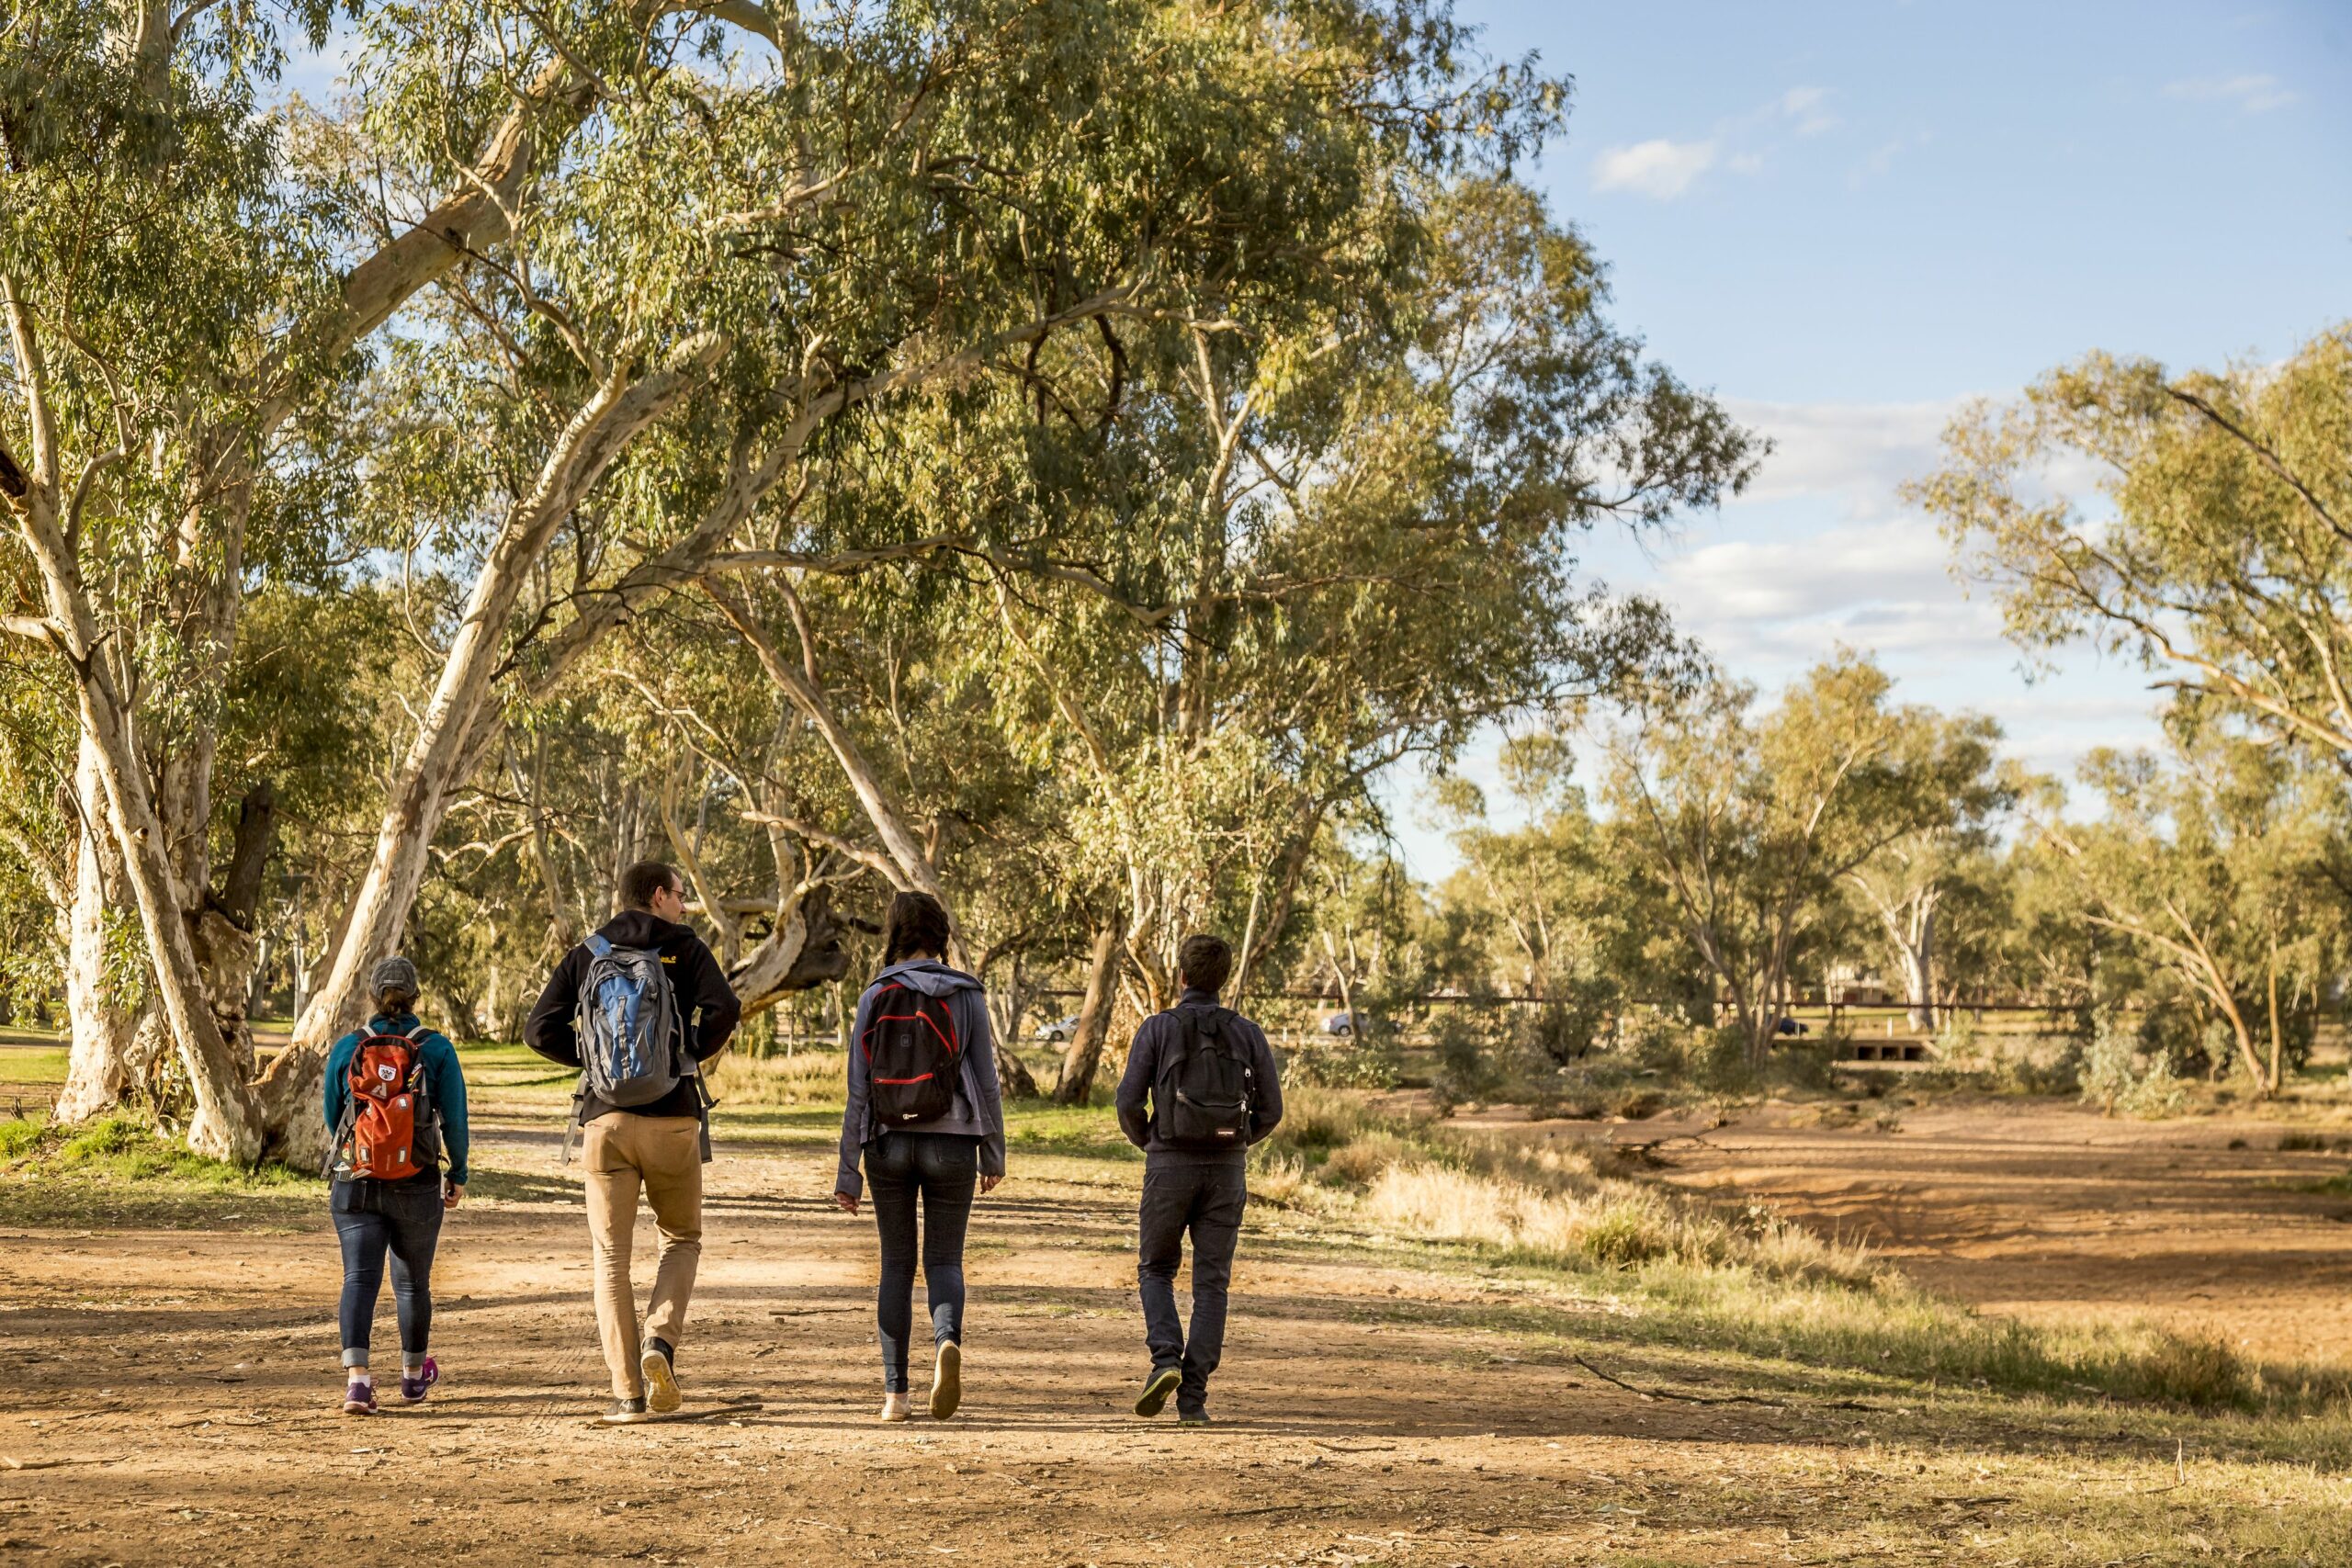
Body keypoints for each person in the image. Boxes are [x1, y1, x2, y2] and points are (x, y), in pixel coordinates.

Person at [526, 859, 741, 1425]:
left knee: (610, 1260)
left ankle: (627, 1396)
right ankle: (659, 1344)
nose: (684, 905)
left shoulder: (588, 952)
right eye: (680, 894)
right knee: (682, 1239)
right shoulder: (687, 948)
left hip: (605, 1124)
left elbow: (538, 1029)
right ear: (657, 895)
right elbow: (726, 1008)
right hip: (673, 1118)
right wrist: (685, 1051)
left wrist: (594, 1061)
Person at [833, 891, 1007, 1422]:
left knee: (895, 1264)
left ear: (896, 932)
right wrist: (993, 1153)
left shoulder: (874, 995)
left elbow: (857, 1090)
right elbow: (987, 1080)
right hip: (953, 1141)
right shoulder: (965, 994)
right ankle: (946, 1342)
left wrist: (848, 1170)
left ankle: (895, 1396)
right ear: (940, 934)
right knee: (945, 1261)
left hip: (886, 1143)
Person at [1115, 932, 1283, 1427]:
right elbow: (1272, 1109)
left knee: (1156, 1269)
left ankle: (1165, 1358)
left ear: (1182, 976)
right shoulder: (1248, 1033)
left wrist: (1151, 1141)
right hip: (1227, 1170)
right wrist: (1236, 1143)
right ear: (1223, 978)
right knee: (1212, 1283)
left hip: (1168, 1163)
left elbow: (1127, 1101)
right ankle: (1194, 1399)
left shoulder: (1157, 1028)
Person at [323, 955, 469, 1416]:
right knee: (412, 1285)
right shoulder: (437, 1049)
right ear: (415, 997)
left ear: (371, 996)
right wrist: (457, 1172)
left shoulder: (349, 1047)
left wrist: (363, 1150)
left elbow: (334, 1115)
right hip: (417, 1180)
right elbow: (456, 1120)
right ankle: (412, 1378)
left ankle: (359, 1383)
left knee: (359, 1278)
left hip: (355, 1179)